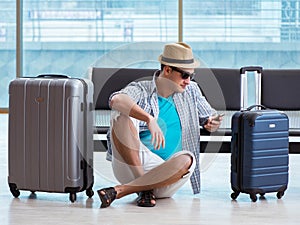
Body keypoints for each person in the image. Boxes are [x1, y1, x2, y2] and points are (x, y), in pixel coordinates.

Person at [97, 42, 223, 208]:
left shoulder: (192, 90)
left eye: (191, 76)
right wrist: (149, 119)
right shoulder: (142, 89)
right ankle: (143, 189)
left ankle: (125, 190)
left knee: (188, 159)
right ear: (168, 70)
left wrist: (211, 123)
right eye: (185, 75)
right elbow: (116, 100)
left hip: (167, 175)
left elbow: (208, 116)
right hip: (134, 166)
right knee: (121, 119)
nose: (188, 81)